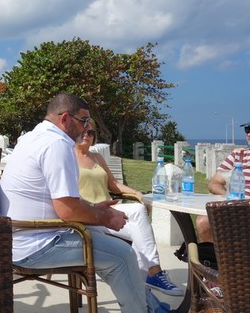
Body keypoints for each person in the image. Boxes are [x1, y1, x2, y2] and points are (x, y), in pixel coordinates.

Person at [0, 93, 162, 313]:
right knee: (124, 255)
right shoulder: (57, 144)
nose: (87, 128)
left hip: (18, 238)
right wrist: (107, 218)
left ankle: (154, 308)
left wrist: (93, 210)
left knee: (107, 248)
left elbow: (57, 198)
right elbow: (67, 210)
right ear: (65, 118)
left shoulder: (32, 137)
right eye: (83, 121)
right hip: (37, 245)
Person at [75, 123, 183, 296]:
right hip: (90, 216)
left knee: (139, 212)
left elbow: (114, 184)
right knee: (139, 232)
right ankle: (149, 279)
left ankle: (152, 274)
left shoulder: (96, 157)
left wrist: (137, 193)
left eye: (91, 131)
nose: (87, 134)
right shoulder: (67, 157)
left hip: (111, 211)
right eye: (83, 130)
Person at [195, 121, 250, 242]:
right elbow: (214, 183)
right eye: (247, 130)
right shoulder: (238, 155)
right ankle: (214, 259)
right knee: (203, 222)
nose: (249, 134)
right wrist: (229, 196)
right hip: (234, 208)